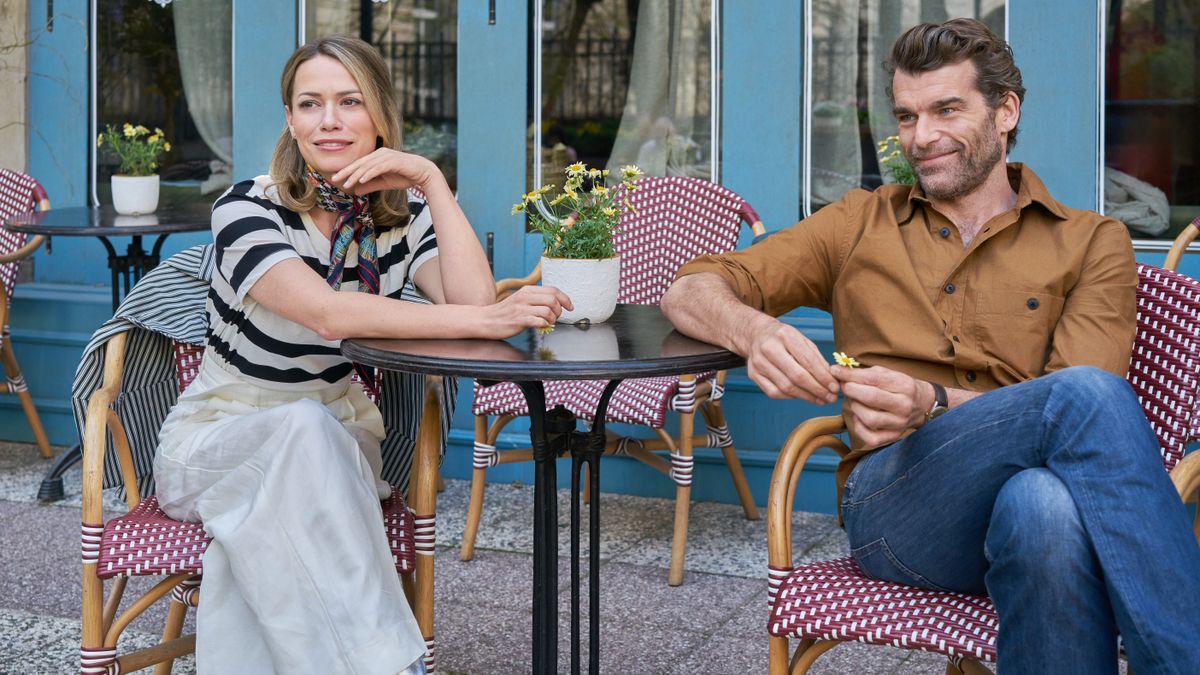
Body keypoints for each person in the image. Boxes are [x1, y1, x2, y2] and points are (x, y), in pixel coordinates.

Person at [661, 18, 1200, 673]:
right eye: (907, 115)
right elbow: (689, 288)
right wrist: (758, 330)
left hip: (1028, 499)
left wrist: (932, 400)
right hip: (896, 507)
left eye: (946, 109)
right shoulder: (861, 221)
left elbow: (1080, 413)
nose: (921, 136)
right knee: (1079, 407)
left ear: (1006, 112)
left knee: (1045, 506)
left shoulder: (1091, 242)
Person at [152, 36, 570, 675]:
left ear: (380, 115)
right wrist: (482, 317)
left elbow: (472, 302)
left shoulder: (402, 218)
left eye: (350, 102)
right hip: (218, 439)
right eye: (310, 103)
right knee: (298, 427)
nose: (329, 120)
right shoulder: (245, 208)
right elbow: (324, 312)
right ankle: (390, 664)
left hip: (339, 443)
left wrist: (431, 180)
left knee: (298, 455)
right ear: (290, 120)